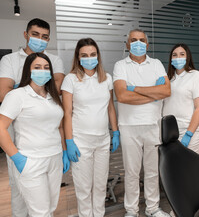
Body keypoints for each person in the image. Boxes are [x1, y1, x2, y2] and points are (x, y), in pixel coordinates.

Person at [0, 18, 65, 217]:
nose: (42, 71)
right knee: (31, 206)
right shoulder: (16, 93)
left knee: (50, 207)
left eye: (46, 69)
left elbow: (59, 123)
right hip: (28, 156)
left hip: (53, 157)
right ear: (26, 34)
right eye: (37, 68)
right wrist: (17, 157)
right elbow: (4, 94)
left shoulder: (53, 98)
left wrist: (62, 149)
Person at [113, 29, 171, 217]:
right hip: (129, 126)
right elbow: (122, 95)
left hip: (153, 125)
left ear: (147, 44)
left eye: (141, 40)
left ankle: (153, 208)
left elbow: (165, 91)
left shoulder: (156, 64)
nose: (138, 43)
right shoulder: (120, 65)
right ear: (127, 44)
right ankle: (131, 210)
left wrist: (135, 89)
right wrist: (152, 93)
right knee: (131, 172)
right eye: (133, 40)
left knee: (153, 171)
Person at [61, 38, 120, 217]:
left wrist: (115, 132)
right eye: (84, 55)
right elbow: (67, 113)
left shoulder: (106, 78)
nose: (89, 58)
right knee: (84, 188)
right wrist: (69, 142)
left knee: (100, 186)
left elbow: (110, 107)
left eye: (92, 54)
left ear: (98, 56)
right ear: (78, 58)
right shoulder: (70, 79)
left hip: (102, 140)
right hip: (80, 141)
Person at [163, 43, 199, 154]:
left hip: (188, 131)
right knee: (171, 169)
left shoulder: (195, 75)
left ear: (187, 57)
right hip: (168, 132)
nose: (178, 57)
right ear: (171, 58)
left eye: (182, 54)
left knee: (189, 168)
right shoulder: (168, 78)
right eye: (174, 55)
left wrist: (189, 134)